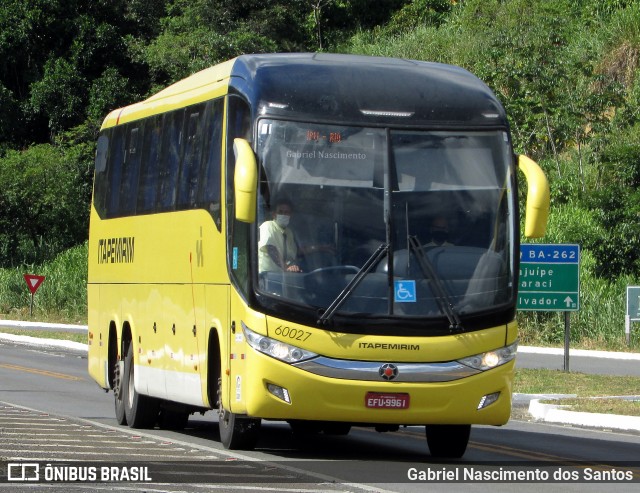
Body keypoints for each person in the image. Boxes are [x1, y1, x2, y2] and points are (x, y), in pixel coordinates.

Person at [258, 197, 302, 272]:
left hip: (281, 278)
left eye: (286, 212)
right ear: (274, 214)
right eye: (280, 212)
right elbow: (271, 248)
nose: (283, 215)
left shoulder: (289, 232)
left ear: (290, 215)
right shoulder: (268, 226)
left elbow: (294, 252)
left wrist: (321, 247)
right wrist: (286, 267)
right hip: (266, 277)